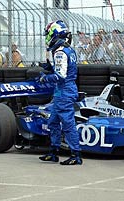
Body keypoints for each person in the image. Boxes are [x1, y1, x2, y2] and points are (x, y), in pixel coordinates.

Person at [38, 20, 82, 165]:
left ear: (54, 35)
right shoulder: (69, 49)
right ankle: (53, 152)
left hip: (65, 91)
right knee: (53, 122)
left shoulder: (60, 52)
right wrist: (50, 68)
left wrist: (45, 78)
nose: (47, 38)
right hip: (63, 91)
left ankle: (76, 155)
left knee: (68, 123)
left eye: (48, 35)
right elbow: (64, 70)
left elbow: (60, 76)